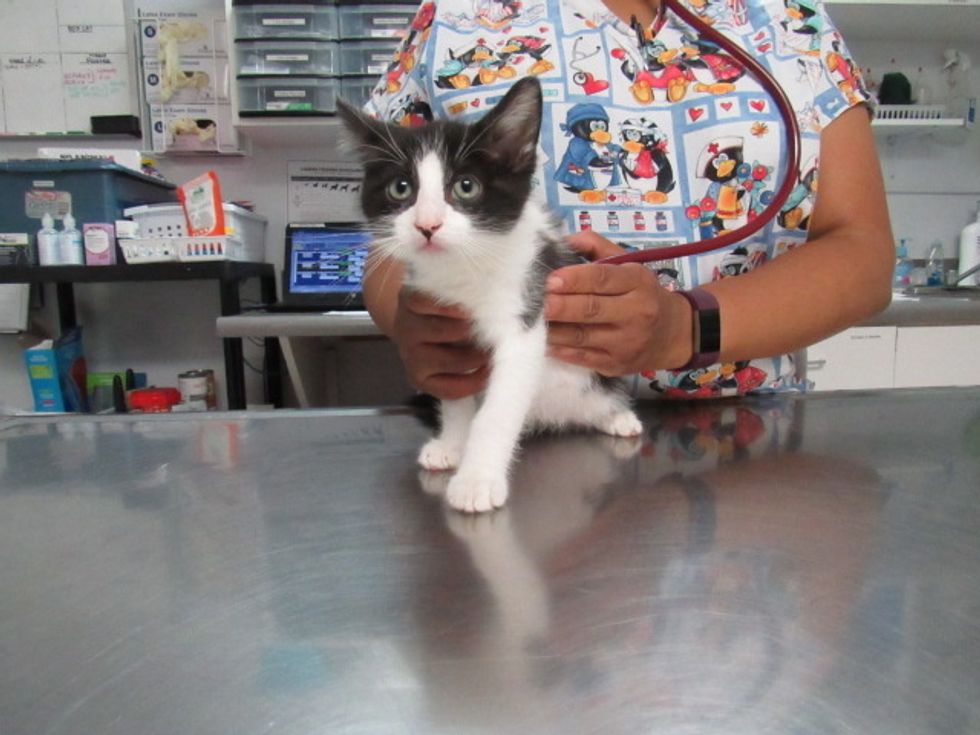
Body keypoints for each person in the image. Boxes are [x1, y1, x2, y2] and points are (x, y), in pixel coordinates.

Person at [360, 0, 893, 399]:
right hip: (518, 436)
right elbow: (388, 246)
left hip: (745, 442)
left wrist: (682, 327)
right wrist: (422, 325)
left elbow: (863, 253)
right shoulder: (454, 17)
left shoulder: (789, 19)